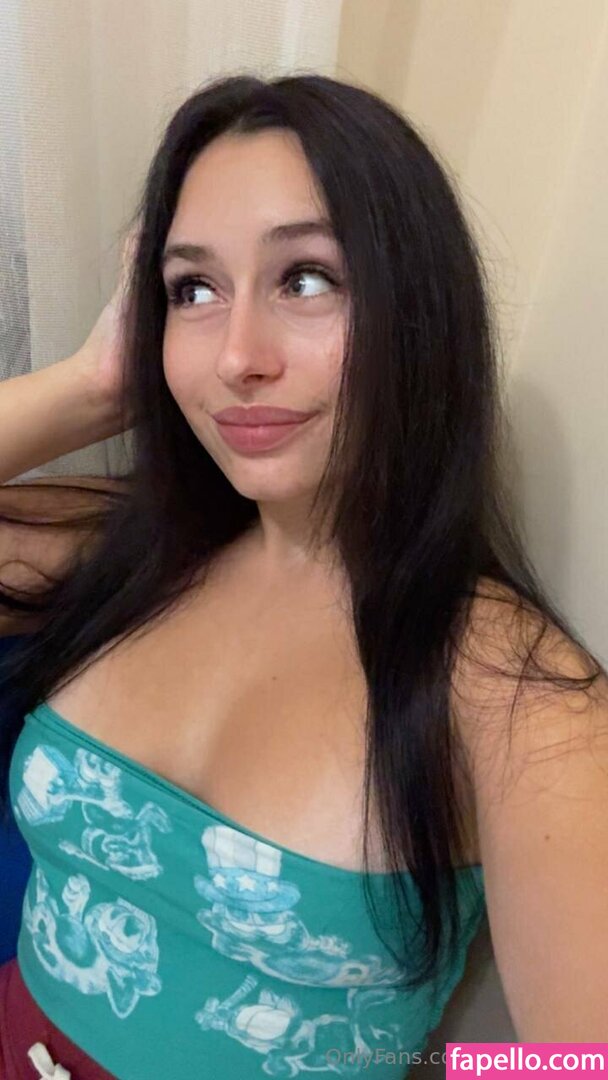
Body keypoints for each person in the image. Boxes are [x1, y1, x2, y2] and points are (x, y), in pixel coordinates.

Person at [0, 72, 606, 1079]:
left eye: (307, 278)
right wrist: (91, 386)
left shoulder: (519, 700)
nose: (237, 356)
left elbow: (578, 1063)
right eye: (193, 291)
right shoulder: (127, 545)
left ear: (419, 312)